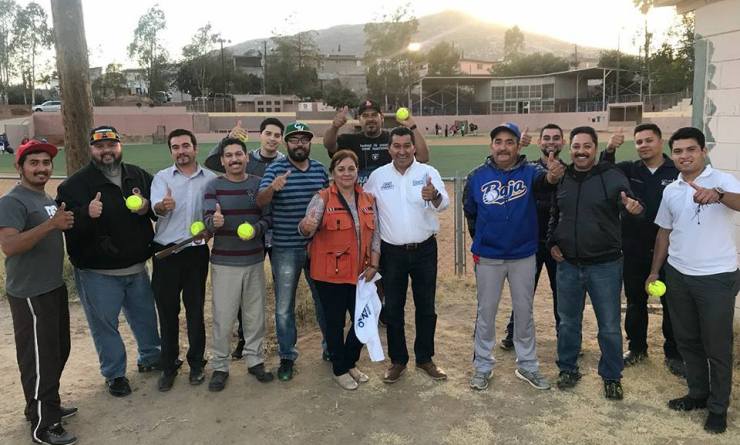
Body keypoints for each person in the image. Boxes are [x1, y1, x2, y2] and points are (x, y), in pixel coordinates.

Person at [56, 126, 161, 398]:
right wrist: (85, 214)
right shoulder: (73, 186)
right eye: (100, 146)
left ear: (119, 146)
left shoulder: (137, 175)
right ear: (91, 149)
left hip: (137, 266)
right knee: (105, 326)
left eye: (111, 145)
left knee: (145, 318)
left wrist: (148, 206)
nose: (106, 151)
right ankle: (115, 374)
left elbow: (158, 208)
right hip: (97, 272)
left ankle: (151, 357)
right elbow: (64, 225)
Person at [648, 127, 740, 434]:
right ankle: (698, 393)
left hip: (717, 277)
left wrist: (719, 195)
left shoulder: (722, 180)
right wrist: (654, 271)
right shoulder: (671, 190)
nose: (684, 156)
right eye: (678, 151)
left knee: (717, 344)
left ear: (703, 151)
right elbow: (664, 231)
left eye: (690, 150)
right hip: (678, 275)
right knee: (687, 340)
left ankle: (718, 407)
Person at [463, 123, 565, 391]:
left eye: (510, 141)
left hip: (523, 256)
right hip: (489, 258)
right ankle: (483, 366)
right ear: (491, 146)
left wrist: (553, 176)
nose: (504, 147)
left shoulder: (531, 172)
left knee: (524, 311)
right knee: (486, 312)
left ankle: (528, 365)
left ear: (518, 145)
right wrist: (484, 241)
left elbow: (547, 184)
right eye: (498, 141)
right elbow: (470, 212)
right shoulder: (477, 176)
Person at [547, 126, 644, 400]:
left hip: (605, 266)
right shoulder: (561, 177)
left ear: (594, 147)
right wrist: (551, 243)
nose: (581, 151)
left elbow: (634, 205)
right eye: (576, 146)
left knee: (610, 326)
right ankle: (567, 368)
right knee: (567, 322)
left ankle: (612, 376)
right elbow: (555, 216)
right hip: (568, 265)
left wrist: (635, 209)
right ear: (570, 148)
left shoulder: (610, 175)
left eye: (586, 146)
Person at [0, 140, 77, 445]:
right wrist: (51, 225)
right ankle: (44, 427)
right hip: (31, 292)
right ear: (19, 167)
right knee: (39, 358)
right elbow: (10, 246)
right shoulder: (12, 202)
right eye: (34, 163)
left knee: (58, 350)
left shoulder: (42, 197)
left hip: (52, 286)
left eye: (46, 163)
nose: (41, 168)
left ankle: (44, 406)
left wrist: (59, 224)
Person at [364, 126, 449, 384]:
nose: (402, 151)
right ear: (389, 148)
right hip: (392, 253)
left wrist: (433, 196)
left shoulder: (427, 172)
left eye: (406, 146)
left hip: (424, 250)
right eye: (396, 146)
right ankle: (398, 361)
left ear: (414, 147)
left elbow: (443, 203)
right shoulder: (378, 176)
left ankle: (425, 358)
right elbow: (367, 207)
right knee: (394, 309)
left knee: (426, 306)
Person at [599, 124, 684, 376]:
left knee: (672, 303)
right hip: (634, 247)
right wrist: (610, 149)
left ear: (660, 141)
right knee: (636, 301)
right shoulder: (629, 169)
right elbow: (604, 171)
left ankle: (674, 352)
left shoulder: (676, 170)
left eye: (649, 140)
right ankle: (637, 347)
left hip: (671, 249)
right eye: (639, 142)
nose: (643, 145)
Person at [298, 150, 381, 390]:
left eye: (351, 169)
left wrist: (374, 263)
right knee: (334, 323)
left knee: (364, 320)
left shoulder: (367, 199)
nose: (346, 173)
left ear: (357, 172)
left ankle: (350, 361)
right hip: (329, 274)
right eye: (341, 169)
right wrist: (305, 226)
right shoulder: (322, 198)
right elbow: (306, 229)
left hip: (360, 273)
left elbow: (375, 234)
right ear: (332, 173)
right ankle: (339, 368)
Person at [206, 118, 286, 360]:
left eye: (276, 134)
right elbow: (212, 161)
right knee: (233, 303)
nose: (272, 138)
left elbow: (268, 212)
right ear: (260, 135)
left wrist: (259, 227)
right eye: (267, 133)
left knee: (261, 302)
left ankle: (265, 352)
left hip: (271, 238)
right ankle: (235, 349)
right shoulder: (237, 164)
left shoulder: (284, 163)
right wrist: (229, 137)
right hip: (239, 247)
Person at [257, 122, 330, 381]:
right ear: (287, 144)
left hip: (316, 249)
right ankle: (287, 356)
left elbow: (326, 205)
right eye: (294, 140)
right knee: (284, 306)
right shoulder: (276, 169)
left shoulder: (320, 170)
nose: (300, 144)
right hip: (285, 248)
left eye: (304, 139)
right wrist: (271, 188)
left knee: (324, 301)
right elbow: (259, 201)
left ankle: (329, 348)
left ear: (310, 143)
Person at [203, 137, 274, 391]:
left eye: (238, 154)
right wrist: (215, 223)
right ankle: (220, 366)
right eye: (229, 155)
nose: (234, 159)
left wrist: (255, 229)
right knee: (223, 316)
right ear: (222, 160)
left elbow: (268, 219)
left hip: (254, 259)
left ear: (246, 157)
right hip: (224, 263)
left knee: (255, 315)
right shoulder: (213, 186)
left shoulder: (258, 185)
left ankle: (255, 360)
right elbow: (208, 220)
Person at [150, 129, 217, 391]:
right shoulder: (162, 178)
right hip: (166, 254)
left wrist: (209, 230)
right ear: (171, 152)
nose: (181, 151)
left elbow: (212, 217)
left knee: (195, 310)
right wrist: (161, 207)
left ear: (195, 148)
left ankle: (197, 363)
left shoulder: (210, 179)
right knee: (167, 313)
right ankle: (169, 365)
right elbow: (155, 207)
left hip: (195, 253)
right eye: (175, 147)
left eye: (186, 146)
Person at [500, 124, 567, 351]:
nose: (551, 142)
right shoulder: (526, 169)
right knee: (524, 293)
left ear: (563, 143)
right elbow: (503, 167)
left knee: (563, 295)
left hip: (559, 245)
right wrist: (517, 146)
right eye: (546, 138)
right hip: (530, 242)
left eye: (556, 138)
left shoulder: (569, 171)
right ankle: (514, 332)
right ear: (539, 142)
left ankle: (564, 335)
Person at [323, 99, 430, 185]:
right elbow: (329, 145)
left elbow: (423, 157)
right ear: (359, 120)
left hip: (389, 195)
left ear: (382, 118)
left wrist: (413, 127)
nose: (370, 119)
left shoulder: (393, 139)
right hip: (360, 199)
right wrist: (334, 127)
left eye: (374, 115)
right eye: (365, 116)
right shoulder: (349, 140)